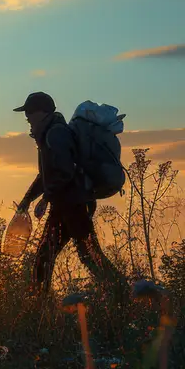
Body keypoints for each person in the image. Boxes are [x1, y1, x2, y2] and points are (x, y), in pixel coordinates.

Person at [13, 92, 123, 299]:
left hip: (75, 205)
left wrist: (45, 198)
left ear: (41, 112)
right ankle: (38, 308)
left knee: (88, 256)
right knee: (46, 258)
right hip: (65, 206)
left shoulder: (56, 134)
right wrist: (27, 201)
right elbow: (45, 175)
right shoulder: (48, 133)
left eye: (29, 112)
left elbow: (65, 171)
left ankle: (124, 296)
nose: (26, 116)